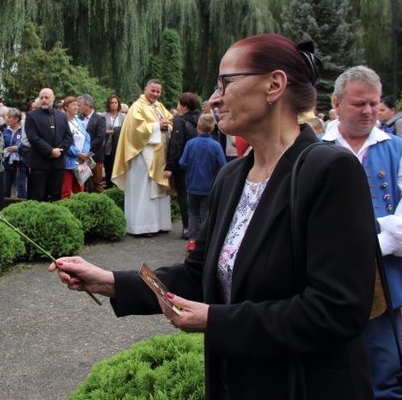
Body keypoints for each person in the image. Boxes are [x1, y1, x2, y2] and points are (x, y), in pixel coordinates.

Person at [50, 34, 378, 399]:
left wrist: (215, 320)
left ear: (274, 85)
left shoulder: (330, 170)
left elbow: (338, 309)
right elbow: (196, 272)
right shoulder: (232, 176)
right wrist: (110, 281)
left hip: (303, 385)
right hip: (235, 381)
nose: (213, 98)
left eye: (226, 83)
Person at [322, 66, 402, 398]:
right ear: (336, 103)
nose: (368, 111)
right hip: (323, 282)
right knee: (328, 369)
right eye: (358, 104)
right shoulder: (314, 150)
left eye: (374, 104)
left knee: (385, 376)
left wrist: (363, 245)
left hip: (385, 284)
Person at [112, 80, 173, 236]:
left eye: (158, 92)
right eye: (153, 90)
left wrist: (167, 124)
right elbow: (135, 130)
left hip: (159, 155)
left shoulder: (159, 106)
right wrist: (157, 126)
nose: (155, 94)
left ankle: (160, 224)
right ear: (145, 89)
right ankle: (142, 226)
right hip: (141, 156)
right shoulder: (137, 107)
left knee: (157, 191)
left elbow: (171, 121)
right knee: (144, 191)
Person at [172, 113, 225, 250]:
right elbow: (223, 165)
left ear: (198, 127)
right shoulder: (216, 145)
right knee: (205, 213)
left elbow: (183, 162)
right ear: (213, 128)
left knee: (193, 213)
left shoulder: (190, 144)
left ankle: (192, 240)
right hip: (209, 185)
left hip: (192, 184)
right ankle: (204, 240)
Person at [24, 88, 74, 202]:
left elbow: (68, 137)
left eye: (46, 97)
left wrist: (59, 151)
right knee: (38, 197)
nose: (44, 100)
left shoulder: (61, 116)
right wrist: (50, 151)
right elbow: (33, 138)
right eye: (41, 98)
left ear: (53, 98)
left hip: (58, 163)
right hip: (40, 164)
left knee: (57, 197)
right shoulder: (31, 116)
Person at [165, 92, 201, 239]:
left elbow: (176, 144)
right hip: (198, 163)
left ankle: (187, 227)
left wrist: (169, 166)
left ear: (184, 106)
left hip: (184, 164)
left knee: (183, 194)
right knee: (198, 195)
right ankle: (199, 226)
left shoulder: (179, 121)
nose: (178, 106)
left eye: (180, 103)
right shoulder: (199, 118)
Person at [61, 96, 91, 199]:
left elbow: (87, 137)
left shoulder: (80, 121)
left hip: (81, 161)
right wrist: (78, 153)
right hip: (68, 161)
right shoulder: (62, 121)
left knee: (80, 190)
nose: (76, 107)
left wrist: (85, 152)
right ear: (66, 107)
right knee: (66, 191)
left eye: (77, 105)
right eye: (73, 105)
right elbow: (64, 141)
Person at [78, 94, 106, 193]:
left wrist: (87, 151)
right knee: (83, 183)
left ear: (87, 104)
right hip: (81, 157)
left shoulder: (100, 119)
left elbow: (100, 138)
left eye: (80, 105)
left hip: (95, 156)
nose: (78, 107)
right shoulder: (78, 119)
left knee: (97, 182)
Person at [2, 107, 27, 198]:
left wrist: (17, 148)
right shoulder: (5, 130)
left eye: (9, 117)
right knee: (5, 188)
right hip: (7, 163)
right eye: (6, 117)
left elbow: (26, 145)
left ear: (16, 119)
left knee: (21, 187)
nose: (7, 119)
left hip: (20, 164)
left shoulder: (23, 131)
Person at [102, 95, 125, 190]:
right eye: (112, 103)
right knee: (108, 169)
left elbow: (125, 131)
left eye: (115, 103)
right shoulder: (103, 116)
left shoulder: (122, 116)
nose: (114, 105)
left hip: (118, 146)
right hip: (107, 145)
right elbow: (100, 130)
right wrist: (107, 132)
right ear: (108, 104)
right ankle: (108, 188)